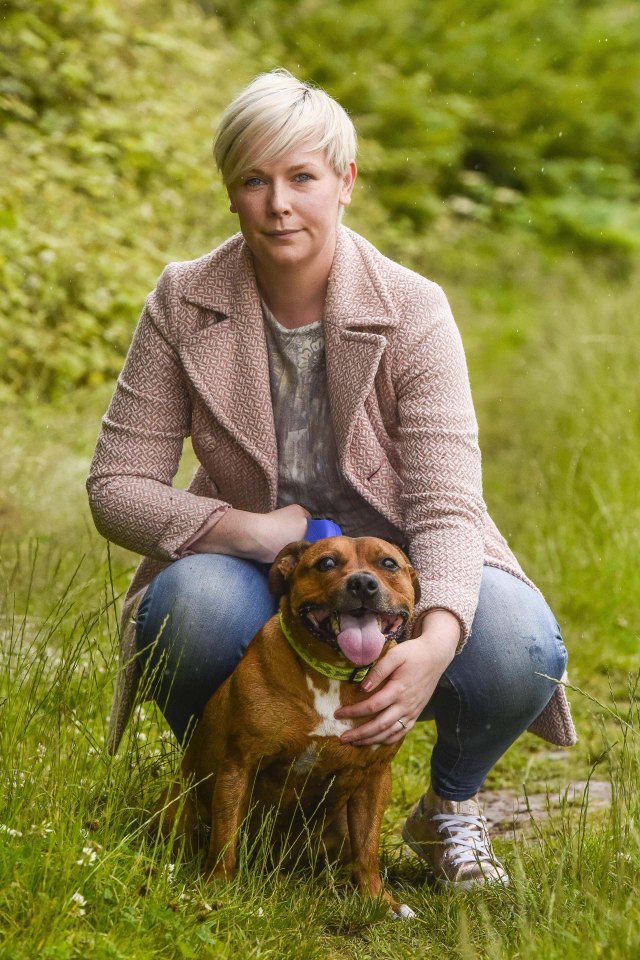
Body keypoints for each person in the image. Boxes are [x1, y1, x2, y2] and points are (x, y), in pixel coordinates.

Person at [87, 68, 576, 889]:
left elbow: (448, 505)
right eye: (254, 179)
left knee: (519, 649)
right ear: (230, 192)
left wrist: (435, 641)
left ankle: (447, 811)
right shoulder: (183, 301)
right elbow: (115, 485)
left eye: (302, 177)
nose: (279, 203)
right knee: (188, 608)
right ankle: (246, 787)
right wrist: (251, 531)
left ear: (345, 182)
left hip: (403, 563)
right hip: (258, 572)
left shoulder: (413, 307)